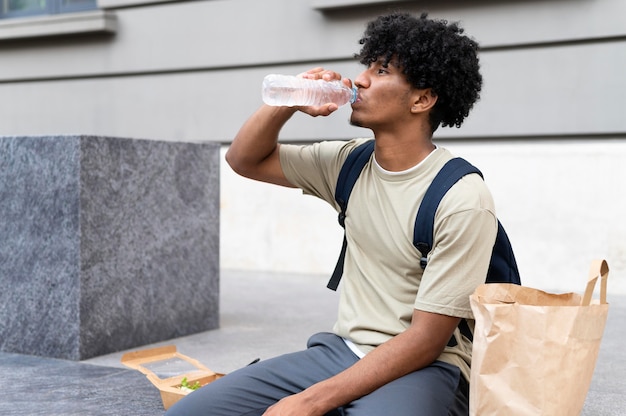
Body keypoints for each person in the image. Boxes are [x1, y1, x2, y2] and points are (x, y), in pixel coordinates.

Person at [166, 11, 495, 416]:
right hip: (339, 352)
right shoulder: (348, 164)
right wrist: (290, 100)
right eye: (367, 66)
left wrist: (310, 400)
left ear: (422, 99)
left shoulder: (462, 197)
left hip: (423, 367)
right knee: (191, 413)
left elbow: (426, 341)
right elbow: (243, 159)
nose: (360, 80)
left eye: (381, 71)